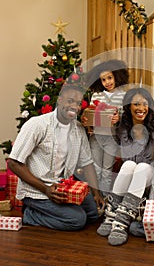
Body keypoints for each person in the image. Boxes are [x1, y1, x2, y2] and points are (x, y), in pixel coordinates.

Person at [8, 83, 104, 231]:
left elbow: (87, 163)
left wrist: (96, 192)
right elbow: (14, 163)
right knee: (77, 220)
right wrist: (46, 189)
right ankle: (30, 214)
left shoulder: (78, 128)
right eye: (70, 101)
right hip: (37, 190)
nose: (75, 107)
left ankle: (59, 211)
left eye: (78, 103)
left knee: (93, 213)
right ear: (59, 100)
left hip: (62, 187)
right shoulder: (37, 124)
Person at [97, 87, 154, 246]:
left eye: (145, 104)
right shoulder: (123, 127)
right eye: (136, 104)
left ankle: (121, 222)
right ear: (128, 106)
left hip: (150, 176)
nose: (141, 108)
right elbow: (107, 140)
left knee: (142, 167)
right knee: (129, 164)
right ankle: (111, 215)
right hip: (129, 176)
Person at [82, 59, 129, 196]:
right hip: (96, 137)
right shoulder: (96, 95)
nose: (107, 82)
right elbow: (90, 113)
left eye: (110, 78)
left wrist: (118, 119)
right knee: (96, 169)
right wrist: (88, 122)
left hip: (111, 138)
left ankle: (105, 199)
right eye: (103, 80)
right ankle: (95, 197)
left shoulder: (123, 95)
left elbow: (125, 118)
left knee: (107, 170)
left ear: (116, 76)